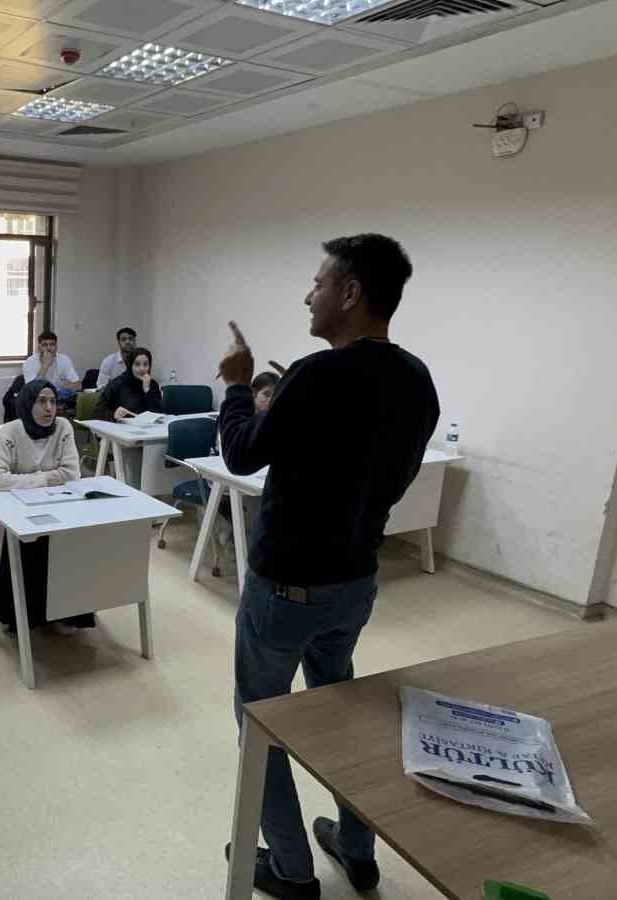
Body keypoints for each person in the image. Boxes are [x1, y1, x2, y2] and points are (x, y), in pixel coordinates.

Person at [217, 234, 439, 900]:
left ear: (351, 293)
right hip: (355, 583)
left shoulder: (315, 376)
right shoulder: (417, 379)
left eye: (318, 282)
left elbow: (242, 454)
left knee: (262, 719)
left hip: (287, 586)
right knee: (338, 708)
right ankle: (358, 848)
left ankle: (291, 869)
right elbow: (385, 473)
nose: (307, 294)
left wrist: (237, 385)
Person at [0, 379, 94, 635]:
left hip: (60, 504)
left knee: (73, 544)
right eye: (41, 401)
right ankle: (24, 616)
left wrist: (23, 480)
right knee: (28, 545)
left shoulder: (63, 427)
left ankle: (67, 612)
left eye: (53, 402)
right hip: (17, 508)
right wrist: (46, 478)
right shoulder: (10, 431)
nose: (49, 408)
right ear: (26, 403)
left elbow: (72, 473)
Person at [96, 347, 164, 423]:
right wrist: (114, 415)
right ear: (130, 366)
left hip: (148, 428)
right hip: (122, 427)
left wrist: (147, 390)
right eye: (137, 364)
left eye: (145, 364)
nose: (142, 368)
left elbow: (158, 412)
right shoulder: (117, 384)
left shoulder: (153, 384)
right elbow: (97, 412)